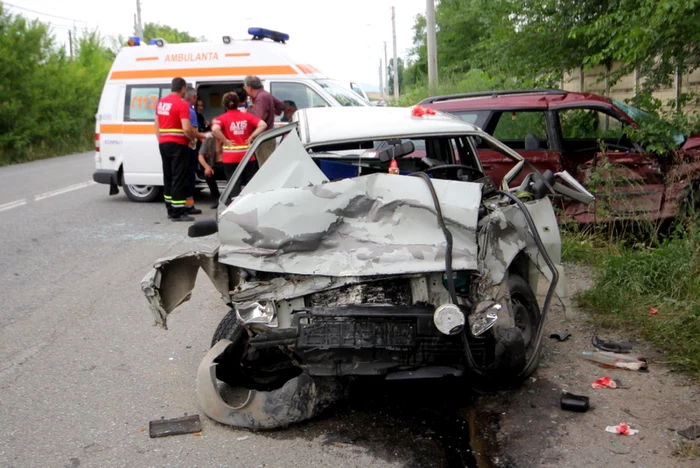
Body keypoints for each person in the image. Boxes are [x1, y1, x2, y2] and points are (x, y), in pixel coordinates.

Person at [155, 77, 197, 222]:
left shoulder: (161, 102)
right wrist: (192, 139)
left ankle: (170, 208)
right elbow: (186, 128)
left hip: (163, 143)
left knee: (168, 177)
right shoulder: (182, 104)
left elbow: (156, 124)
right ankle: (178, 212)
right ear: (183, 88)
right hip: (178, 144)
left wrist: (160, 139)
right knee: (179, 177)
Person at [211, 92, 267, 197]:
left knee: (233, 184)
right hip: (247, 156)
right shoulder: (247, 116)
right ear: (238, 103)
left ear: (224, 104)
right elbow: (263, 124)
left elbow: (215, 129)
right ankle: (248, 204)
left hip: (230, 158)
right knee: (248, 183)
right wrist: (251, 137)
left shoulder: (222, 118)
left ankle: (234, 205)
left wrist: (225, 140)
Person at [243, 75, 284, 166]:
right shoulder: (265, 94)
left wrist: (248, 112)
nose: (245, 90)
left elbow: (258, 119)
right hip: (268, 136)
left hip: (263, 138)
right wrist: (271, 114)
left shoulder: (261, 98)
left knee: (265, 166)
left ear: (249, 88)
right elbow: (281, 106)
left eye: (245, 87)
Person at [184, 86, 209, 215]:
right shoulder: (191, 112)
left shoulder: (178, 109)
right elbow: (192, 131)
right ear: (193, 98)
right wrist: (202, 137)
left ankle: (181, 205)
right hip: (189, 147)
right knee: (190, 177)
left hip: (180, 148)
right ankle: (188, 206)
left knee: (181, 177)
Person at [198, 135, 225, 208]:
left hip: (229, 165)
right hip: (215, 165)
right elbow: (200, 156)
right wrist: (207, 167)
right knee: (208, 175)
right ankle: (216, 199)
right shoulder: (209, 140)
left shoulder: (229, 137)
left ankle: (231, 197)